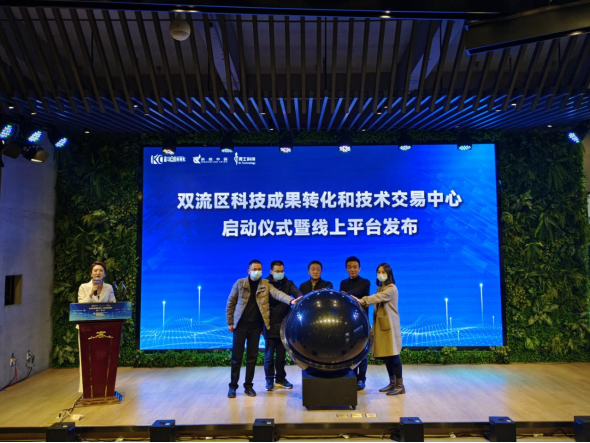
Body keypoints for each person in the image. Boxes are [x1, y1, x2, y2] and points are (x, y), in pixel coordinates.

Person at [226, 259, 300, 399]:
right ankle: (233, 387)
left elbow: (277, 294)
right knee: (237, 358)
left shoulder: (265, 284)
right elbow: (230, 302)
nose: (257, 271)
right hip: (240, 326)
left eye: (259, 269)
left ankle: (248, 386)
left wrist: (291, 300)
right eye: (254, 269)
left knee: (252, 358)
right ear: (248, 271)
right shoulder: (240, 283)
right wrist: (230, 322)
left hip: (256, 327)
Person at [351, 263, 404, 395]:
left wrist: (363, 300)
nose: (380, 274)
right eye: (378, 272)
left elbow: (377, 298)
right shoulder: (380, 287)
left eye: (383, 272)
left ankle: (400, 385)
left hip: (390, 327)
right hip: (382, 327)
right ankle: (392, 382)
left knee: (394, 356)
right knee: (387, 357)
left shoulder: (391, 288)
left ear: (389, 274)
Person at [77, 261, 116, 393]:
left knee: (104, 357)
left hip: (105, 328)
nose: (98, 273)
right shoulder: (84, 287)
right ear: (91, 273)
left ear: (104, 274)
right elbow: (80, 306)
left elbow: (113, 305)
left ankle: (105, 388)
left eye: (101, 270)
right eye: (95, 270)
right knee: (87, 358)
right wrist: (91, 293)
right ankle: (86, 389)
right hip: (87, 328)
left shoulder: (109, 287)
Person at [264, 260, 303, 392]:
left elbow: (297, 293)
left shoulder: (288, 283)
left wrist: (300, 298)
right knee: (269, 356)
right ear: (271, 271)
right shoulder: (265, 284)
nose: (280, 273)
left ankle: (280, 379)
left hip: (284, 325)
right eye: (277, 271)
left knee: (281, 356)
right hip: (269, 324)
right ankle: (269, 380)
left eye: (282, 271)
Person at [340, 256, 370, 391]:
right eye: (350, 267)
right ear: (346, 268)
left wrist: (345, 294)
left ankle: (361, 379)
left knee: (362, 352)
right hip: (348, 323)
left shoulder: (365, 282)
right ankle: (352, 377)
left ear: (359, 268)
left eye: (355, 267)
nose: (352, 269)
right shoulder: (343, 283)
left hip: (362, 322)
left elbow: (359, 292)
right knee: (350, 351)